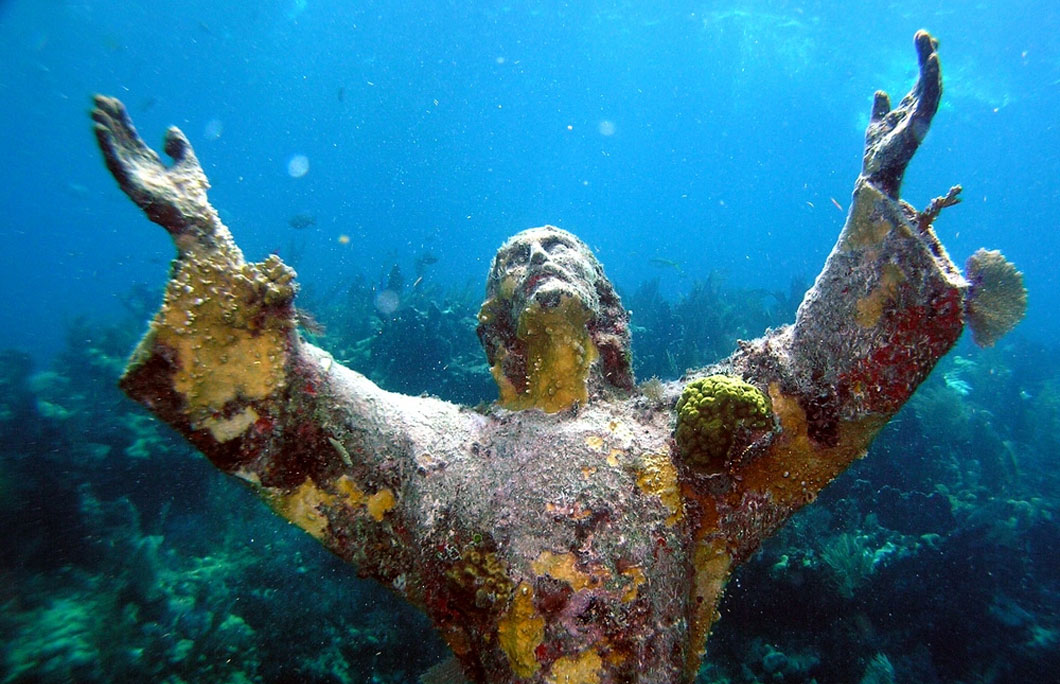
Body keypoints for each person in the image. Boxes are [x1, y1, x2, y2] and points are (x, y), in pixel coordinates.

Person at [92, 31, 1023, 684]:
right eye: (515, 258)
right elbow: (294, 408)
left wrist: (877, 190)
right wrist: (207, 248)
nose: (539, 257)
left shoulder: (681, 439)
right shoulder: (433, 451)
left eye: (561, 248)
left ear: (609, 308)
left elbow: (817, 382)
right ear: (493, 328)